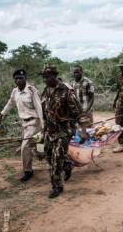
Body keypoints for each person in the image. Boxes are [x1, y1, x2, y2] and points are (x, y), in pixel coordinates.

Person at [39, 64, 89, 198]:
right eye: (44, 77)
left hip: (64, 130)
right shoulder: (46, 91)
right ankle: (68, 164)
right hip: (50, 131)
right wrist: (43, 130)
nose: (45, 79)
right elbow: (45, 112)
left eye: (47, 76)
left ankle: (57, 186)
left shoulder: (66, 91)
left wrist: (83, 131)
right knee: (49, 156)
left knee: (56, 158)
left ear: (55, 76)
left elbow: (79, 112)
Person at [0, 69, 44, 182]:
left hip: (35, 122)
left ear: (25, 79)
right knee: (38, 143)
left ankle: (28, 171)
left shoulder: (32, 91)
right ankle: (42, 153)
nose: (18, 80)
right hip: (25, 123)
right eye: (16, 78)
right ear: (14, 80)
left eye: (21, 78)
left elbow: (39, 108)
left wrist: (43, 124)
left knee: (25, 146)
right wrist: (2, 114)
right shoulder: (15, 92)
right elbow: (10, 103)